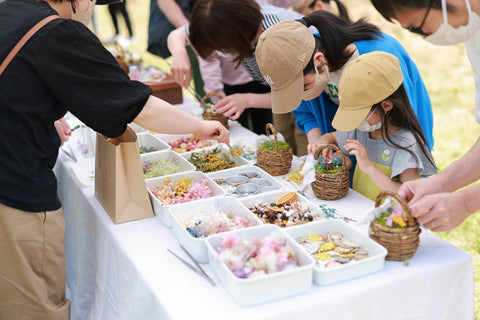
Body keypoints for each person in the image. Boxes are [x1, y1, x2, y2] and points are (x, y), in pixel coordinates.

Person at [0, 0, 229, 318]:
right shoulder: (58, 32)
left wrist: (30, 106)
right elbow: (135, 105)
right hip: (15, 192)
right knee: (35, 307)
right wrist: (200, 127)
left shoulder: (12, 10)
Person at [255, 12, 435, 158]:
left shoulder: (378, 57)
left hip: (395, 157)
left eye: (303, 87)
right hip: (353, 154)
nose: (301, 96)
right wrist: (318, 146)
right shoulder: (302, 60)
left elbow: (401, 124)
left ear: (319, 61)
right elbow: (305, 112)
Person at [370, 0, 480, 232]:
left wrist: (467, 202)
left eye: (417, 26)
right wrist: (438, 184)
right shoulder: (474, 32)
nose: (424, 37)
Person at [167, 0, 309, 155]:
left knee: (304, 149)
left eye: (221, 49)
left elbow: (297, 95)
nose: (219, 53)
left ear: (240, 37)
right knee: (283, 144)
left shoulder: (279, 38)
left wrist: (247, 100)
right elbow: (177, 35)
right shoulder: (229, 18)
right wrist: (180, 53)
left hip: (311, 96)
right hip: (282, 89)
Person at [311, 51, 437, 201]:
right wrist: (325, 143)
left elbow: (409, 194)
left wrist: (369, 168)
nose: (356, 121)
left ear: (386, 106)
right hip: (361, 214)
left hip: (387, 220)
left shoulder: (405, 143)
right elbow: (333, 137)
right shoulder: (361, 129)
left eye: (360, 114)